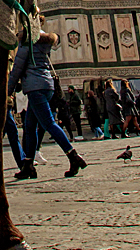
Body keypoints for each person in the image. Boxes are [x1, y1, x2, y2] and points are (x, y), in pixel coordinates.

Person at [7, 25, 86, 179]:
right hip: (46, 86)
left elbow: (17, 67)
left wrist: (7, 91)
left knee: (49, 124)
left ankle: (73, 156)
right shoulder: (44, 43)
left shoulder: (27, 42)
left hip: (35, 88)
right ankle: (28, 166)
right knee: (29, 127)